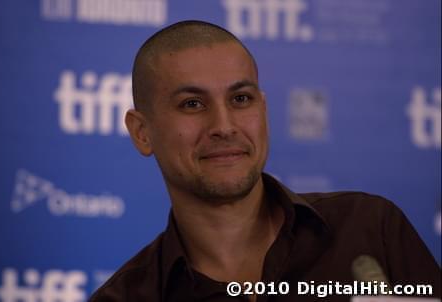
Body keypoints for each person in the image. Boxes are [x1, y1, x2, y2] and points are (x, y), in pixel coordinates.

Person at [90, 20, 440, 302]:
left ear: (264, 110)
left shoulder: (369, 230)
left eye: (241, 98)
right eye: (192, 104)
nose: (224, 126)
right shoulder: (127, 296)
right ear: (141, 132)